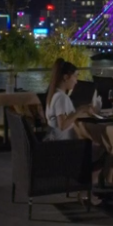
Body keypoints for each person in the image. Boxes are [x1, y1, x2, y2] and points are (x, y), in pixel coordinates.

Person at [44, 58, 104, 204]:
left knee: (96, 146)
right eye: (75, 77)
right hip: (67, 147)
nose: (76, 81)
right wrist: (79, 110)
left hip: (58, 143)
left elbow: (64, 120)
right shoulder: (61, 98)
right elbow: (63, 125)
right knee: (105, 149)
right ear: (66, 77)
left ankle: (85, 189)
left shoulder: (53, 95)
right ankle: (86, 191)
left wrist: (80, 111)